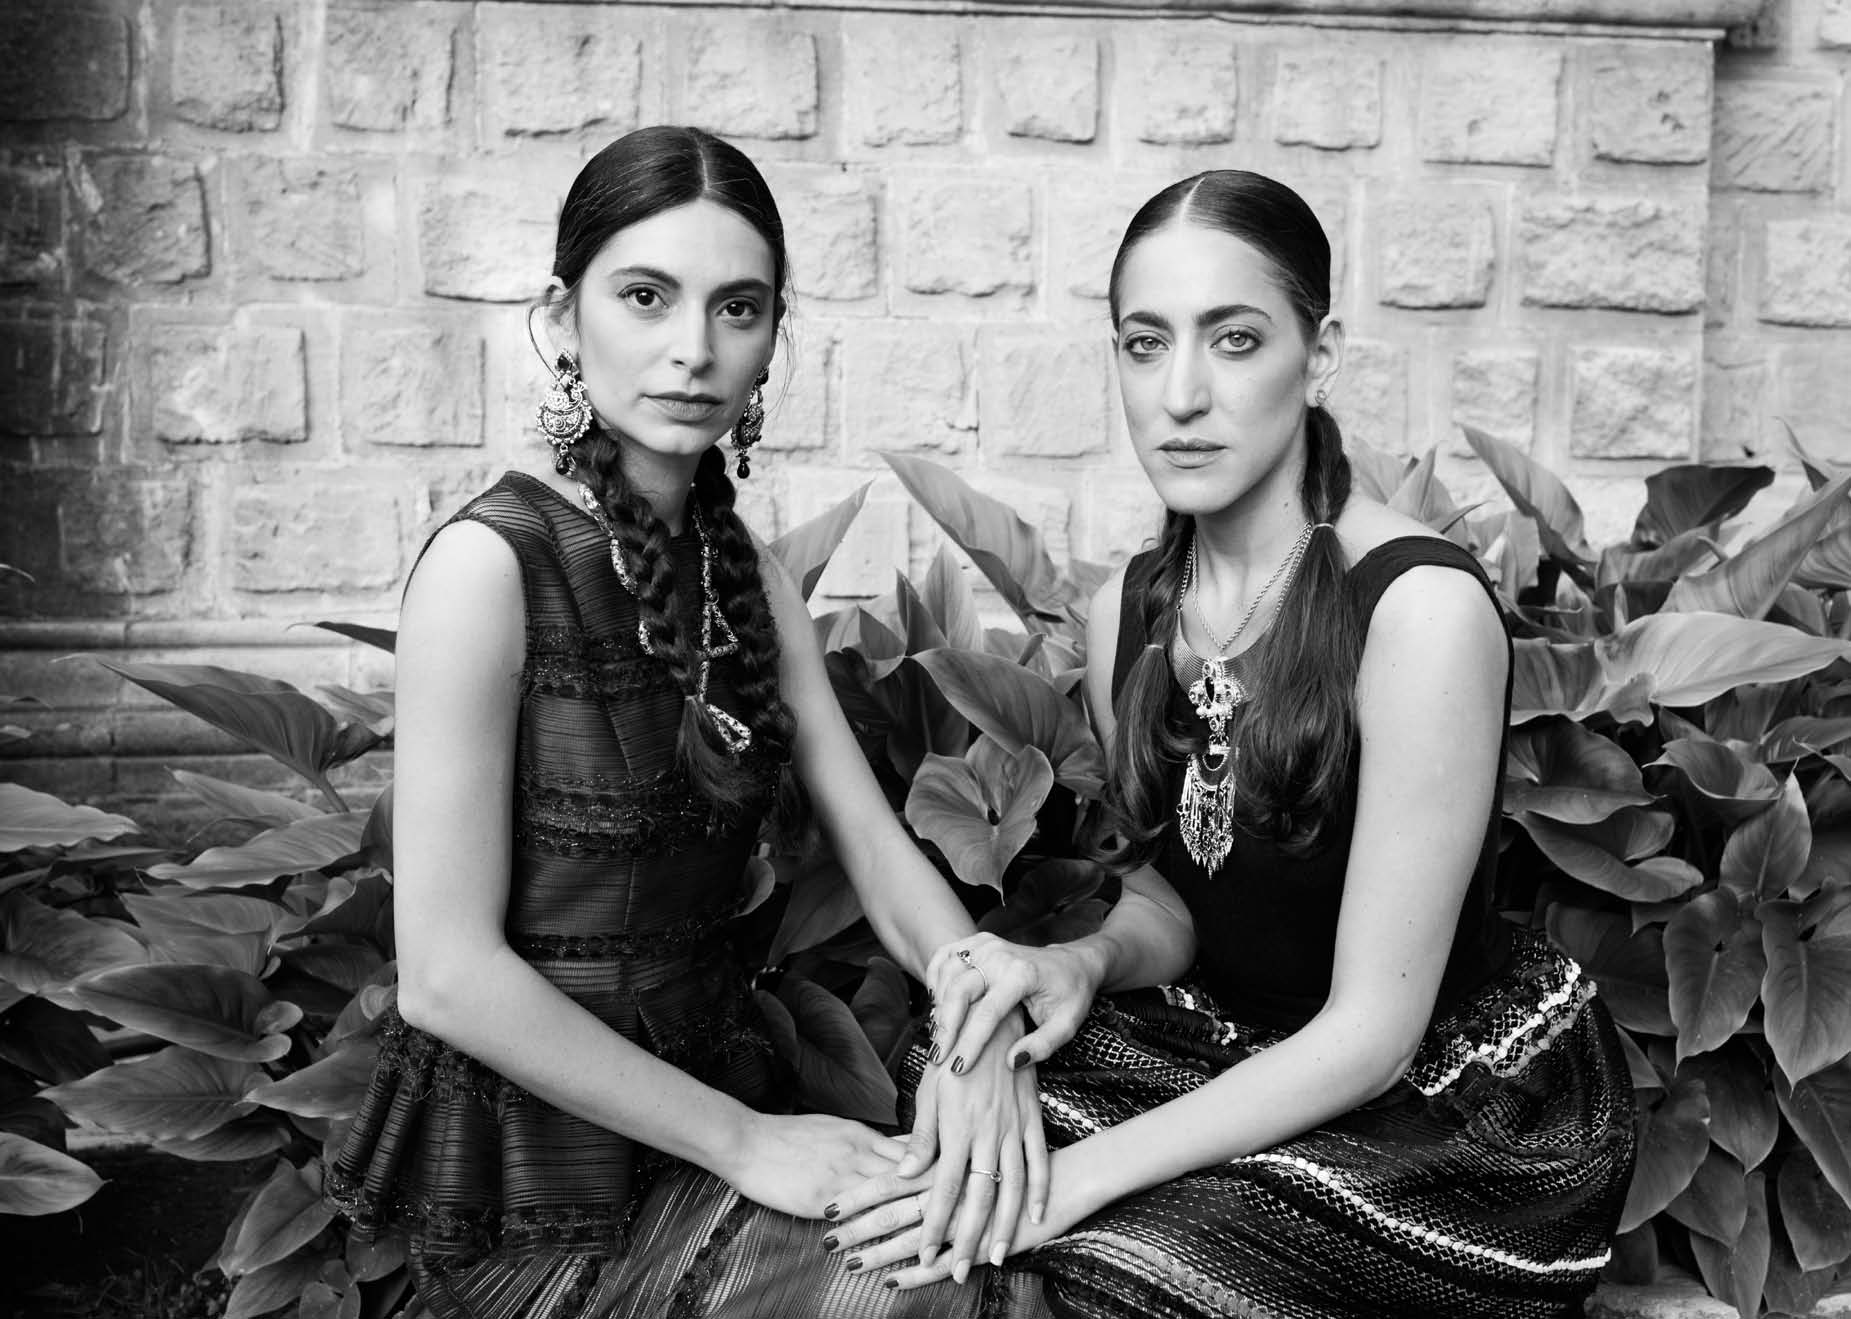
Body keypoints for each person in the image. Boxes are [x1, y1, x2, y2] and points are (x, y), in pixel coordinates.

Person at [825, 170, 1637, 1318]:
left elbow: (1371, 1034)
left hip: (1446, 1106)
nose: (1183, 393)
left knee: (1147, 1253)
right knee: (966, 1077)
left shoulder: (1418, 612)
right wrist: (1077, 965)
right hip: (1229, 1046)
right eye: (1145, 343)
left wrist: (1078, 1182)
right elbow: (1172, 898)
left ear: (1321, 354)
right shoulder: (1129, 610)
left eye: (1236, 338)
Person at [324, 125, 1049, 1319]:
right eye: (646, 296)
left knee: (1024, 1238)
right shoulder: (489, 568)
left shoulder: (741, 573)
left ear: (771, 338)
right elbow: (446, 978)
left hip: (720, 1108)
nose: (694, 349)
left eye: (737, 308)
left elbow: (877, 850)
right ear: (562, 319)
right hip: (546, 1184)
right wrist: (749, 1143)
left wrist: (978, 1007)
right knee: (950, 1296)